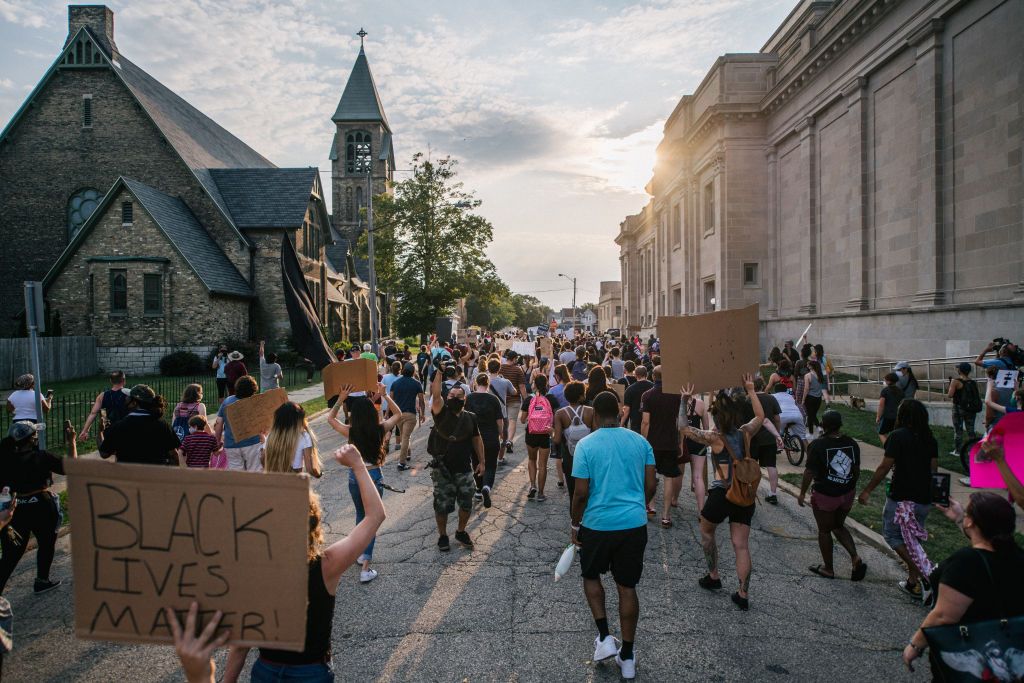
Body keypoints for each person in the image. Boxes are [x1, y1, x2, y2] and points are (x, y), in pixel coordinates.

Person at [222, 444, 386, 682]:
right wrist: (359, 465)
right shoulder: (325, 566)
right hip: (310, 672)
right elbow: (375, 516)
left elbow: (241, 644)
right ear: (311, 521)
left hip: (266, 670)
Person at [570, 391, 656, 680]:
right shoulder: (640, 442)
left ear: (594, 413)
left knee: (591, 575)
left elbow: (581, 493)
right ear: (620, 411)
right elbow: (651, 485)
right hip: (633, 524)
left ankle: (605, 637)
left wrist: (574, 524)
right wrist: (638, 505)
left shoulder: (585, 445)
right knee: (627, 586)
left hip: (597, 524)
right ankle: (628, 656)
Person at [902, 492, 1024, 676]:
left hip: (971, 654)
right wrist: (960, 518)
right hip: (1009, 655)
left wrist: (915, 645)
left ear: (972, 523)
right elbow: (986, 542)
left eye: (967, 514)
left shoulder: (966, 563)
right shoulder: (1015, 556)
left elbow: (944, 616)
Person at [681, 375, 765, 610]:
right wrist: (751, 390)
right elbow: (761, 416)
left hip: (722, 494)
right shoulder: (745, 433)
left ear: (716, 417)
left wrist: (683, 401)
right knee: (741, 545)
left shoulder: (714, 438)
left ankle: (714, 575)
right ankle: (743, 593)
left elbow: (683, 428)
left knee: (707, 532)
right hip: (744, 496)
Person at [858, 399, 938, 601]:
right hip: (923, 499)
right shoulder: (930, 438)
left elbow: (884, 467)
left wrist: (867, 490)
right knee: (913, 539)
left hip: (902, 497)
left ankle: (924, 574)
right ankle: (913, 583)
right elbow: (934, 470)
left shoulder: (897, 437)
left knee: (893, 535)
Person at [328, 386, 402, 582]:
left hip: (355, 477)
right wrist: (385, 395)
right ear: (371, 413)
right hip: (374, 476)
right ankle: (365, 568)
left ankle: (360, 553)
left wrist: (341, 399)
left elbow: (331, 419)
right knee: (372, 520)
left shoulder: (351, 432)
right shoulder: (380, 428)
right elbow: (399, 414)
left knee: (361, 516)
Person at [0, 420, 76, 593]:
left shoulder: (4, 459)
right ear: (31, 439)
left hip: (15, 507)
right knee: (46, 543)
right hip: (42, 505)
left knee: (10, 555)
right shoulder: (42, 456)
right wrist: (71, 441)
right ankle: (42, 579)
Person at [797, 410, 866, 581]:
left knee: (824, 530)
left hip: (826, 495)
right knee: (838, 525)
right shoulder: (851, 443)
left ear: (823, 425)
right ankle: (855, 558)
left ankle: (828, 569)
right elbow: (856, 470)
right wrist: (850, 487)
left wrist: (802, 493)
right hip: (847, 493)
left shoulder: (818, 445)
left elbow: (809, 472)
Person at [429, 365, 483, 552]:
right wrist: (439, 372)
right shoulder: (440, 413)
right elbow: (436, 395)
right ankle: (443, 535)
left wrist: (482, 462)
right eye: (451, 395)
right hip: (442, 469)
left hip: (464, 468)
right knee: (442, 506)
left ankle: (460, 531)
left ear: (465, 399)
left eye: (458, 396)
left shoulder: (471, 418)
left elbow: (477, 439)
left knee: (467, 502)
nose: (454, 398)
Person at [639, 366, 682, 528]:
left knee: (651, 474)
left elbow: (645, 422)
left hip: (652, 442)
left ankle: (650, 506)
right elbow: (679, 421)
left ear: (652, 376)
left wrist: (643, 442)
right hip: (670, 441)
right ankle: (666, 515)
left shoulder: (647, 395)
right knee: (669, 477)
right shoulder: (676, 396)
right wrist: (679, 442)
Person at [100, 385, 181, 465]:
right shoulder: (163, 425)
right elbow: (174, 455)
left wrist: (100, 432)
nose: (125, 398)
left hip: (128, 475)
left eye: (128, 397)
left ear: (134, 403)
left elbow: (104, 454)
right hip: (155, 475)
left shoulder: (120, 426)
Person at [554, 381, 595, 511]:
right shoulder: (591, 411)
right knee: (590, 487)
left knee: (573, 489)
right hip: (589, 455)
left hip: (570, 456)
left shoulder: (560, 413)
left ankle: (575, 517)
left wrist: (551, 432)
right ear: (581, 395)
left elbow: (557, 439)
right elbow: (596, 434)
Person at [520, 374, 560, 501]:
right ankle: (541, 494)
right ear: (546, 384)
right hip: (545, 433)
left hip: (531, 434)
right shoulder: (551, 398)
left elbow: (522, 420)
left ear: (535, 385)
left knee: (532, 460)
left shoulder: (529, 399)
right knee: (542, 465)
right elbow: (557, 415)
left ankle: (532, 485)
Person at [466, 373, 503, 507]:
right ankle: (486, 487)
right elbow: (499, 420)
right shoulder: (493, 399)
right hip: (491, 437)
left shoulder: (469, 398)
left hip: (473, 438)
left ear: (476, 383)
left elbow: (465, 418)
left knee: (476, 462)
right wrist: (501, 434)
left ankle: (478, 489)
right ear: (488, 384)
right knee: (491, 465)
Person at [214, 376, 263, 471]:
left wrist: (217, 442)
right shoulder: (256, 402)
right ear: (253, 389)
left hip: (231, 445)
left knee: (236, 474)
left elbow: (219, 423)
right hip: (252, 443)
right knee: (255, 471)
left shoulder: (227, 402)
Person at [747, 378, 783, 505]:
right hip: (769, 437)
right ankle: (773, 494)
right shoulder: (771, 398)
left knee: (752, 466)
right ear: (763, 385)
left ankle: (750, 492)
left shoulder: (748, 399)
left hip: (753, 438)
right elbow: (777, 418)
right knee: (771, 465)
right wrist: (777, 434)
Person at [263, 402, 321, 477]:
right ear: (298, 419)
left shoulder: (270, 436)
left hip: (274, 482)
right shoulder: (303, 436)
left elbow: (262, 457)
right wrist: (318, 474)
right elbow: (310, 469)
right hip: (295, 482)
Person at [679, 389, 710, 512]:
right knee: (698, 477)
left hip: (682, 442)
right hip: (697, 441)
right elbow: (706, 428)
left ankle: (674, 500)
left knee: (678, 475)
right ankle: (701, 510)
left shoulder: (678, 403)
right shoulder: (701, 404)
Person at [390, 363, 425, 471]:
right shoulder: (416, 383)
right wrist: (423, 414)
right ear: (413, 371)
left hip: (398, 414)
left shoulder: (395, 383)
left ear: (403, 370)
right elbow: (421, 400)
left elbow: (391, 400)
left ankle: (408, 454)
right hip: (410, 414)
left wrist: (390, 414)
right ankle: (401, 463)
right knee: (405, 437)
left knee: (404, 436)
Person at [78, 370, 129, 441]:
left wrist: (85, 431)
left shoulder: (102, 396)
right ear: (124, 380)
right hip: (127, 429)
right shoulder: (129, 394)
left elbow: (93, 413)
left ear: (110, 381)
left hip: (110, 429)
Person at [947, 362, 981, 455]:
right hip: (971, 410)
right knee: (971, 430)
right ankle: (972, 451)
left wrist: (950, 386)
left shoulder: (956, 381)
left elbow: (950, 395)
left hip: (958, 409)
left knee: (958, 430)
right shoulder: (973, 382)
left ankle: (958, 451)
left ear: (960, 370)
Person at [486, 359, 514, 466]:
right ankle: (500, 458)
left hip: (488, 412)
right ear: (499, 368)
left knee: (488, 434)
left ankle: (488, 456)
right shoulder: (505, 381)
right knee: (503, 435)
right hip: (502, 412)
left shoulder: (484, 380)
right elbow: (514, 391)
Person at [498, 351, 527, 452]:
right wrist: (526, 400)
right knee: (512, 421)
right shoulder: (518, 370)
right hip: (514, 399)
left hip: (501, 399)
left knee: (502, 420)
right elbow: (522, 386)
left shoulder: (500, 368)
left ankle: (502, 439)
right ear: (514, 359)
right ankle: (509, 440)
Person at [620, 366, 653, 433]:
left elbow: (626, 409)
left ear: (635, 375)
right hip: (652, 422)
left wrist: (621, 424)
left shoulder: (630, 389)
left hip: (636, 423)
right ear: (646, 374)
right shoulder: (653, 386)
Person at [876, 373, 903, 445]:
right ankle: (895, 448)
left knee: (881, 433)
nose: (884, 381)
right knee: (895, 434)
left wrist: (878, 416)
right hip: (897, 417)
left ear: (888, 381)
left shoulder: (885, 391)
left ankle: (888, 449)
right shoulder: (900, 391)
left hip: (887, 416)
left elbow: (881, 405)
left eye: (885, 380)